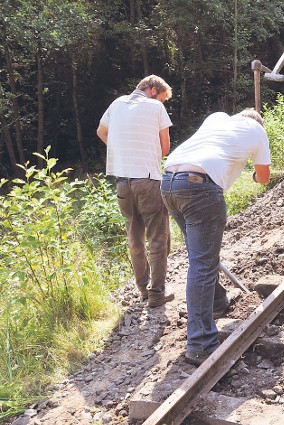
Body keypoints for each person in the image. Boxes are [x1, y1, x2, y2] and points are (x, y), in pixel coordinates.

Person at [160, 109, 271, 365]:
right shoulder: (257, 130)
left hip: (169, 182)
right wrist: (253, 173)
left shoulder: (217, 118)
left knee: (201, 256)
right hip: (200, 187)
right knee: (202, 263)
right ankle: (200, 343)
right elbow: (263, 178)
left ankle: (217, 303)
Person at [97, 75, 174, 307]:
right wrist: (147, 155)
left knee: (135, 239)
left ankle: (143, 290)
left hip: (123, 183)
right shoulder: (155, 108)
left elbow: (101, 132)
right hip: (149, 180)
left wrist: (122, 151)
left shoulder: (116, 104)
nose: (161, 103)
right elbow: (166, 145)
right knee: (158, 238)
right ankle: (157, 295)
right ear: (152, 90)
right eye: (162, 98)